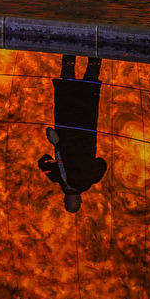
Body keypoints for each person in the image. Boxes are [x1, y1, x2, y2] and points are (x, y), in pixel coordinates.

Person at [37, 55, 107, 213]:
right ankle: (69, 51)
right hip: (66, 121)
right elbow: (42, 162)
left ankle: (95, 52)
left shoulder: (90, 179)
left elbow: (102, 163)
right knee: (67, 81)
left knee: (91, 81)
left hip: (86, 123)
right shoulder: (57, 177)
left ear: (80, 200)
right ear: (65, 199)